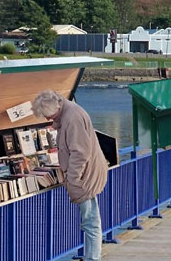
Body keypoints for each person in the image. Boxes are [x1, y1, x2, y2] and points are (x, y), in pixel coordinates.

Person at [32, 90, 108, 261]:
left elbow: (80, 153)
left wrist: (73, 179)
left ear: (55, 109)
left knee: (90, 221)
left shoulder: (72, 118)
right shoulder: (68, 113)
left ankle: (93, 258)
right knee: (91, 220)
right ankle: (91, 256)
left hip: (84, 177)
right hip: (86, 174)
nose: (47, 120)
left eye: (48, 117)